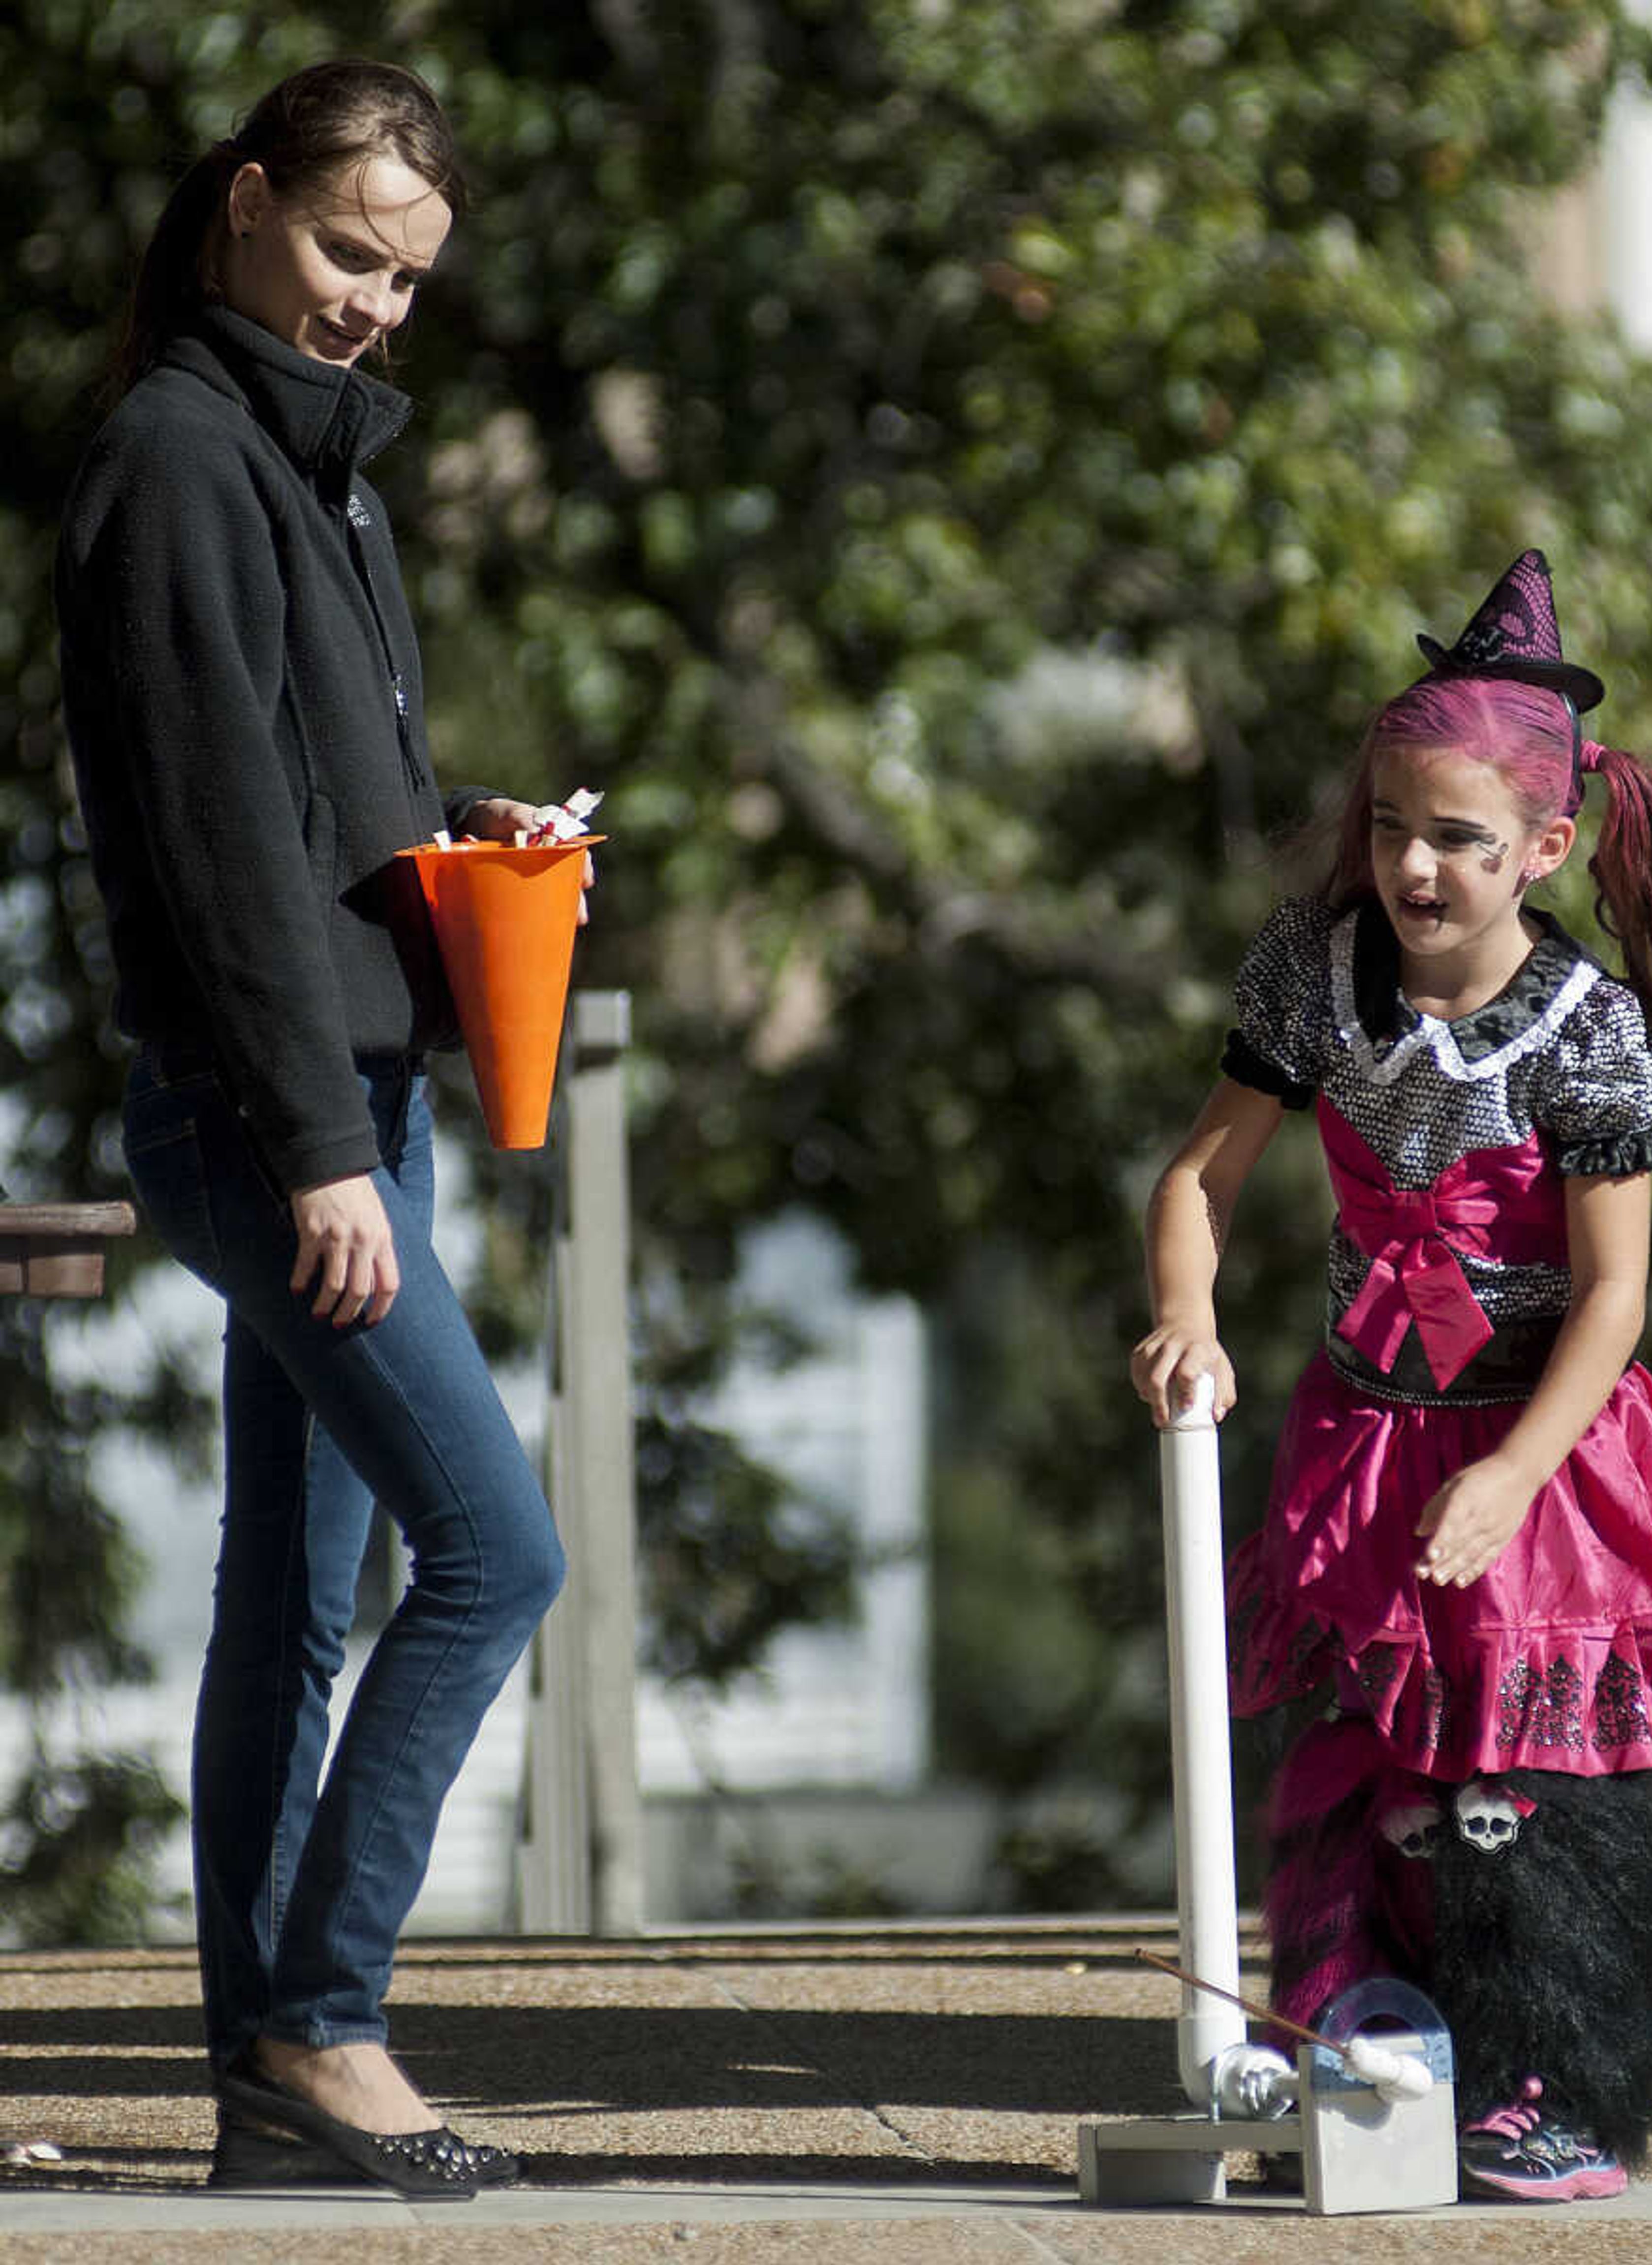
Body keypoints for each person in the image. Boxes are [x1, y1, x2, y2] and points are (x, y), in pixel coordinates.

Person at [57, 61, 569, 2199]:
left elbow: (307, 805)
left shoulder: (312, 469)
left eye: (409, 276)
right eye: (351, 250)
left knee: (296, 1589)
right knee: (496, 1549)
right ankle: (324, 2016)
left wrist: (459, 843)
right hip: (281, 1119)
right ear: (249, 202)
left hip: (349, 1089)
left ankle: (264, 2074)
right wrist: (313, 1147)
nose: (376, 301)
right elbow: (207, 848)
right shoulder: (180, 455)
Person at [1131, 553, 1652, 2202]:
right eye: (1395, 825)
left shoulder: (1588, 1029)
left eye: (1459, 840)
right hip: (1366, 1433)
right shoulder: (1314, 976)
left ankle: (1548, 2080)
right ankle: (1365, 2051)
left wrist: (1513, 1473)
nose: (1415, 863)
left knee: (1522, 1774)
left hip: (1547, 1455)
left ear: (1547, 849)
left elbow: (1614, 1296)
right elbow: (1199, 1174)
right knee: (1364, 1756)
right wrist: (1188, 1311)